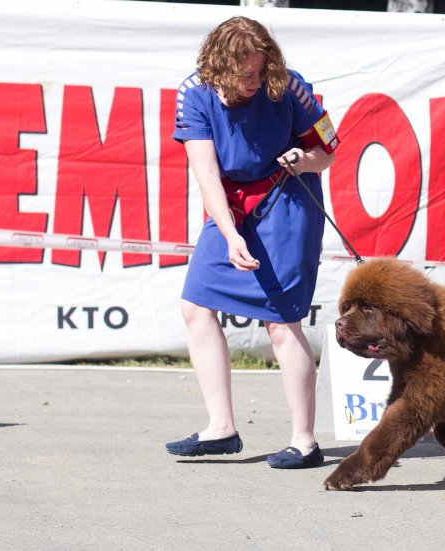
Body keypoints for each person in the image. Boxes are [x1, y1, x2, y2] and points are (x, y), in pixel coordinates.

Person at [165, 16, 339, 469]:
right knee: (195, 306)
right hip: (231, 206)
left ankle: (305, 441)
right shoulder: (194, 94)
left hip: (286, 199)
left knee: (282, 323)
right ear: (220, 66)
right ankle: (221, 428)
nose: (257, 81)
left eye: (262, 71)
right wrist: (228, 235)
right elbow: (206, 175)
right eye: (247, 75)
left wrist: (303, 159)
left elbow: (329, 151)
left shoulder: (290, 87)